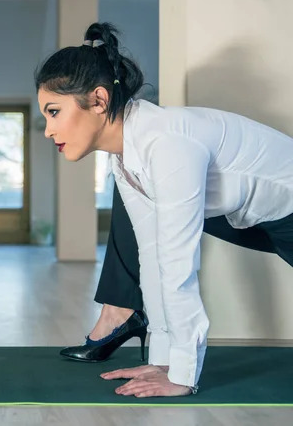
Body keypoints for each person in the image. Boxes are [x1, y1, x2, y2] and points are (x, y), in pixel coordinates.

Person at [35, 22, 293, 398]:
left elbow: (178, 265)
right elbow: (153, 256)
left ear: (99, 100)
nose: (47, 130)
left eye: (54, 112)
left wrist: (184, 374)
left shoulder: (167, 144)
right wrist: (162, 359)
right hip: (258, 216)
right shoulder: (125, 159)